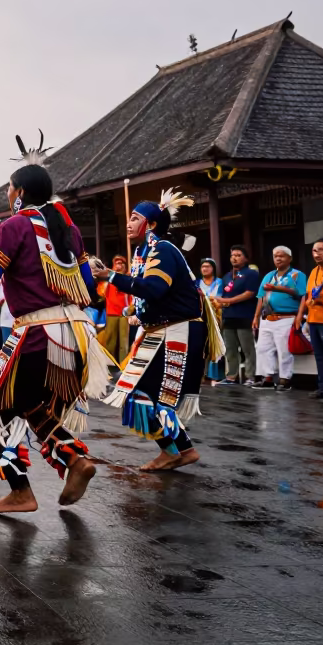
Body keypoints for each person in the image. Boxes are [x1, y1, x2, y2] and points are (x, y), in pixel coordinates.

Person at [0, 133, 110, 514]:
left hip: (37, 333)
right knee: (24, 406)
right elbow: (88, 286)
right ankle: (54, 470)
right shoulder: (67, 229)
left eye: (9, 188)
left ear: (19, 192)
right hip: (77, 334)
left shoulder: (14, 226)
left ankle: (52, 473)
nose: (7, 194)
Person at [94, 191, 223, 471]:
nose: (128, 223)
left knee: (147, 396)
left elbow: (154, 289)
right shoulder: (146, 251)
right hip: (160, 331)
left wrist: (111, 276)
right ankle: (181, 450)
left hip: (178, 333)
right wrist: (139, 315)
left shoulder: (163, 249)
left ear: (151, 225)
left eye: (134, 218)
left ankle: (174, 451)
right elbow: (156, 296)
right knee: (137, 394)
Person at [251, 246, 306, 392]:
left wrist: (280, 290)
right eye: (275, 256)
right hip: (267, 317)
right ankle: (267, 377)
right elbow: (260, 298)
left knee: (284, 350)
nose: (278, 259)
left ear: (290, 258)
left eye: (282, 256)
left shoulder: (297, 275)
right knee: (263, 348)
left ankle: (285, 379)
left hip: (286, 317)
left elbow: (302, 295)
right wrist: (256, 317)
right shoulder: (269, 275)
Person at [218, 245, 261, 384]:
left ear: (246, 258)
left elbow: (250, 293)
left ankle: (250, 376)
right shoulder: (227, 276)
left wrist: (228, 301)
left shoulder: (251, 273)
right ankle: (231, 376)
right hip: (228, 316)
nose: (234, 258)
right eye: (232, 255)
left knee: (247, 348)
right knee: (229, 348)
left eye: (238, 255)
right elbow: (223, 295)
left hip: (244, 315)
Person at [297, 238, 323, 401]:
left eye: (321, 250)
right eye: (314, 251)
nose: (316, 254)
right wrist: (301, 315)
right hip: (314, 319)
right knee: (320, 356)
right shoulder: (314, 271)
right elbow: (308, 294)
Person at [96, 255, 130, 366]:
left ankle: (123, 365)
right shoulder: (109, 280)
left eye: (121, 264)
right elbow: (100, 293)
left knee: (123, 343)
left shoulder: (128, 279)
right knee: (110, 340)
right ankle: (109, 364)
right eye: (117, 264)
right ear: (113, 266)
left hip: (124, 314)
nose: (119, 266)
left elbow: (132, 296)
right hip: (111, 313)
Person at [196, 258, 224, 385]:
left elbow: (220, 299)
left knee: (213, 344)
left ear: (213, 268)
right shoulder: (196, 283)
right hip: (200, 317)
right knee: (200, 346)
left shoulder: (220, 282)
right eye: (203, 266)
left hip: (215, 317)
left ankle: (213, 375)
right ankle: (200, 374)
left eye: (208, 266)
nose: (205, 269)